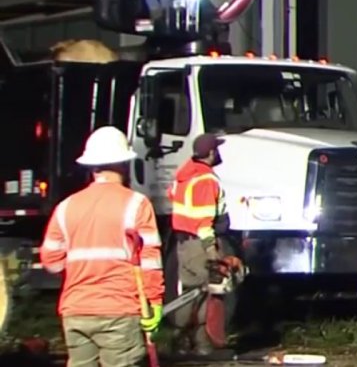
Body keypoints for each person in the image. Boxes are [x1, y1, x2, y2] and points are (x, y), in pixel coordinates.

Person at [39, 126, 164, 367]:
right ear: (123, 164)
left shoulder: (66, 207)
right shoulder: (137, 204)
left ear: (92, 167)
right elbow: (150, 258)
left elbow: (51, 263)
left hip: (75, 310)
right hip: (118, 311)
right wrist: (155, 301)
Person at [167, 133, 232, 356]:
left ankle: (180, 342)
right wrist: (212, 250)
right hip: (200, 244)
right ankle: (203, 345)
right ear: (212, 152)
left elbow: (172, 197)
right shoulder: (206, 180)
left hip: (183, 243)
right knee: (209, 292)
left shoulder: (184, 174)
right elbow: (205, 222)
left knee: (189, 292)